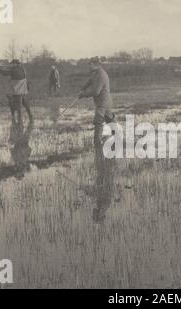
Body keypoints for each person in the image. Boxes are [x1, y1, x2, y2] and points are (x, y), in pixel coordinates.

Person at [77, 57, 116, 219]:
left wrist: (84, 94)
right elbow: (89, 82)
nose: (89, 67)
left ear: (96, 65)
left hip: (102, 102)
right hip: (104, 103)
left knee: (98, 122)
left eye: (90, 64)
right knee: (110, 121)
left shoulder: (104, 203)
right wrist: (84, 87)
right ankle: (116, 140)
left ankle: (97, 144)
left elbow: (96, 91)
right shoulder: (96, 73)